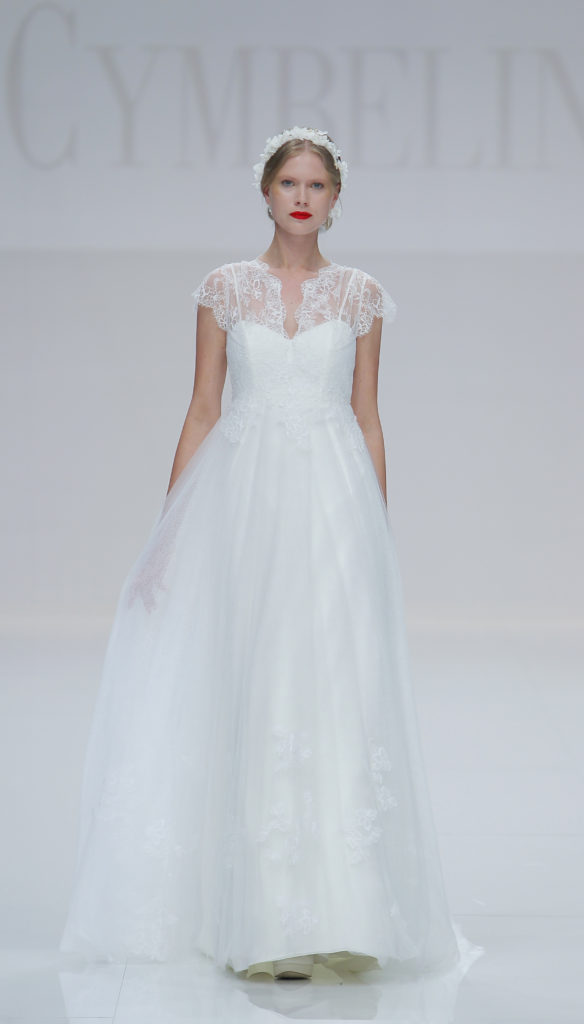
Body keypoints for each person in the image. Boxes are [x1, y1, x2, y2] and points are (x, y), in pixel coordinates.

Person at [59, 126, 464, 983]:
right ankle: (260, 912)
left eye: (317, 184)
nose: (302, 197)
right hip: (241, 507)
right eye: (289, 183)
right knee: (251, 681)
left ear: (336, 197)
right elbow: (203, 409)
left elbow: (367, 417)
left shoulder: (359, 295)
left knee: (331, 688)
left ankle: (341, 913)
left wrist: (375, 529)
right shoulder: (223, 289)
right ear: (266, 192)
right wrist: (169, 532)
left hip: (330, 505)